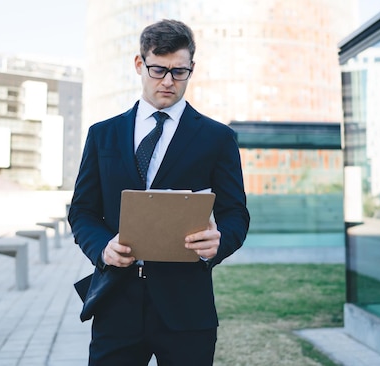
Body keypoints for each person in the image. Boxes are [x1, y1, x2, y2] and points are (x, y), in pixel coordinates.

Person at [68, 19, 250, 365]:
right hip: (116, 303)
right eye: (158, 70)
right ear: (140, 64)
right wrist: (102, 248)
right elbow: (82, 212)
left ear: (191, 69)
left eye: (178, 72)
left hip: (186, 307)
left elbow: (236, 214)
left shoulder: (217, 138)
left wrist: (219, 241)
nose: (168, 81)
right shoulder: (102, 135)